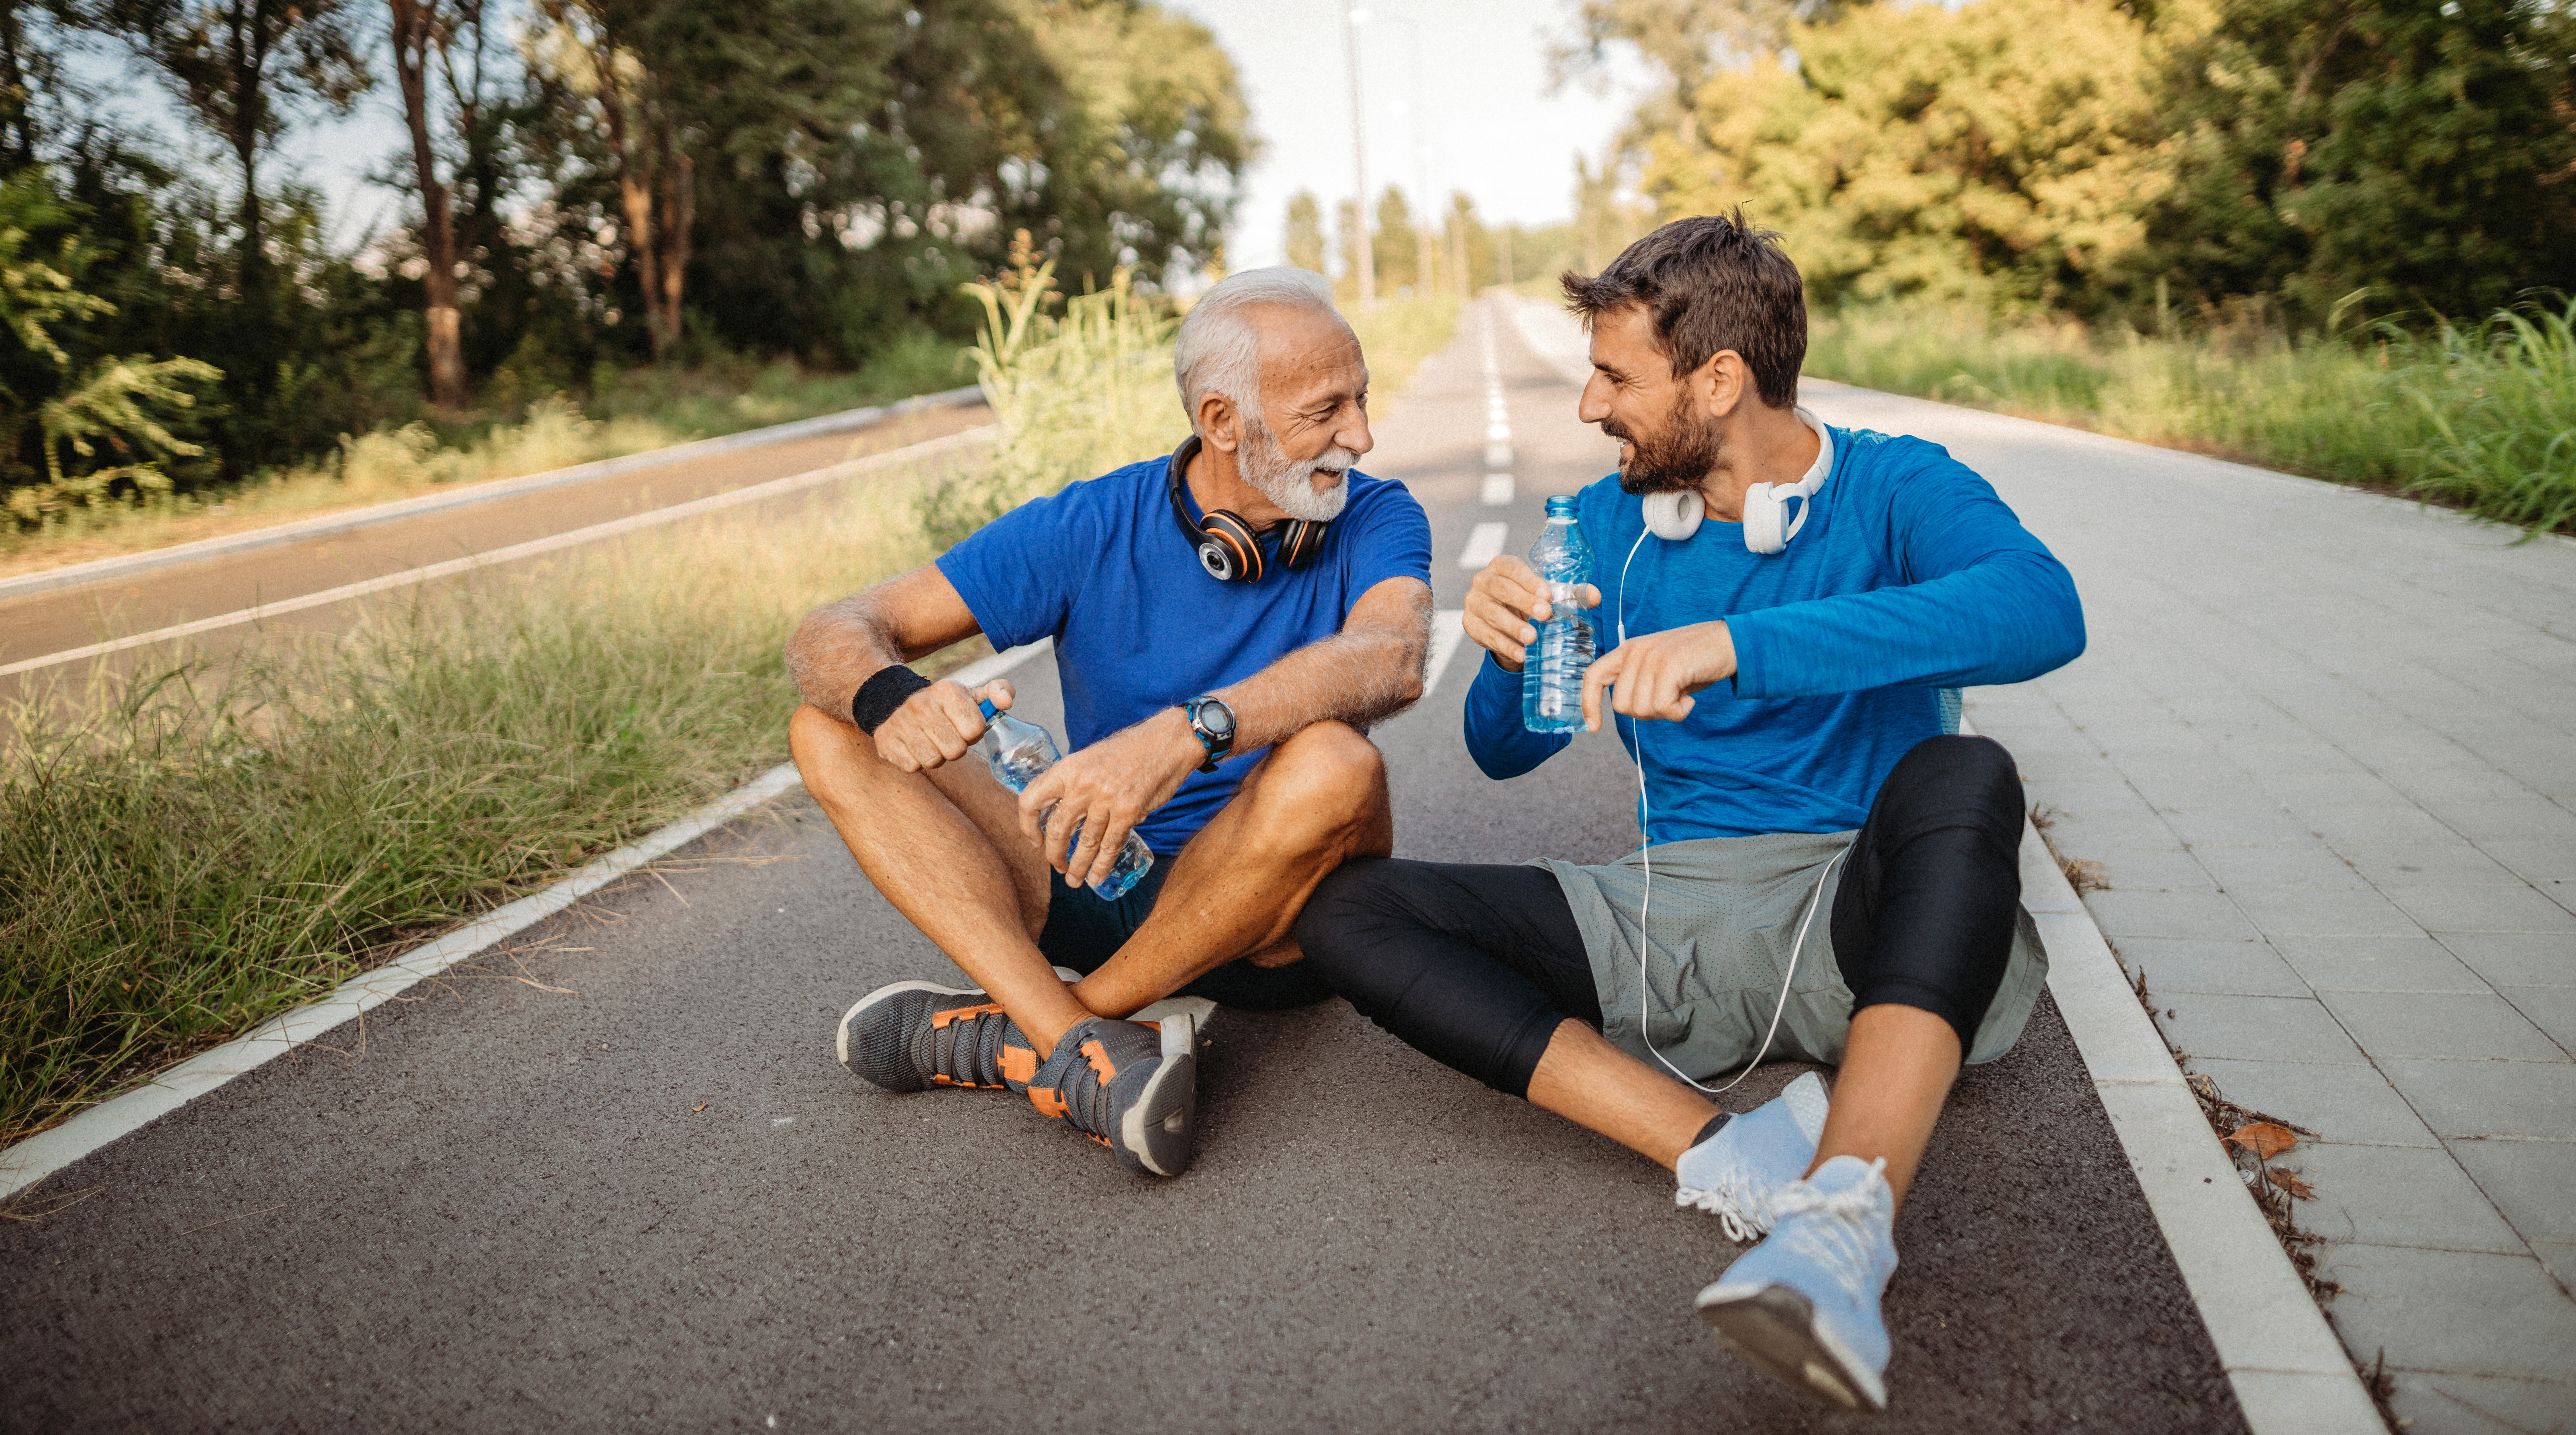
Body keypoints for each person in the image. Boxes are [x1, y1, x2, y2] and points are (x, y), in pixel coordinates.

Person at [1292, 215, 2086, 1410]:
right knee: (1356, 908)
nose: (1588, 407)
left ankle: (1841, 1226)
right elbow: (1503, 754)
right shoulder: (1611, 524)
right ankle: (1729, 1152)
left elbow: (2044, 610)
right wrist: (1509, 656)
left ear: (1720, 381)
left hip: (1860, 911)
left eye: (1615, 376)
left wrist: (1736, 644)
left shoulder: (1897, 485)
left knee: (1967, 775)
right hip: (1669, 917)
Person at [786, 267, 1432, 1180]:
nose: (1360, 438)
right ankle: (1082, 1049)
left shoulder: (1377, 515)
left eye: (1359, 401)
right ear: (1220, 422)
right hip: (1096, 875)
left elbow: (1391, 656)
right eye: (1325, 412)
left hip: (1275, 925)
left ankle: (1026, 1037)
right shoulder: (1091, 522)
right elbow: (833, 630)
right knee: (826, 728)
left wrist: (1188, 732)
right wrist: (898, 700)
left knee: (1337, 761)